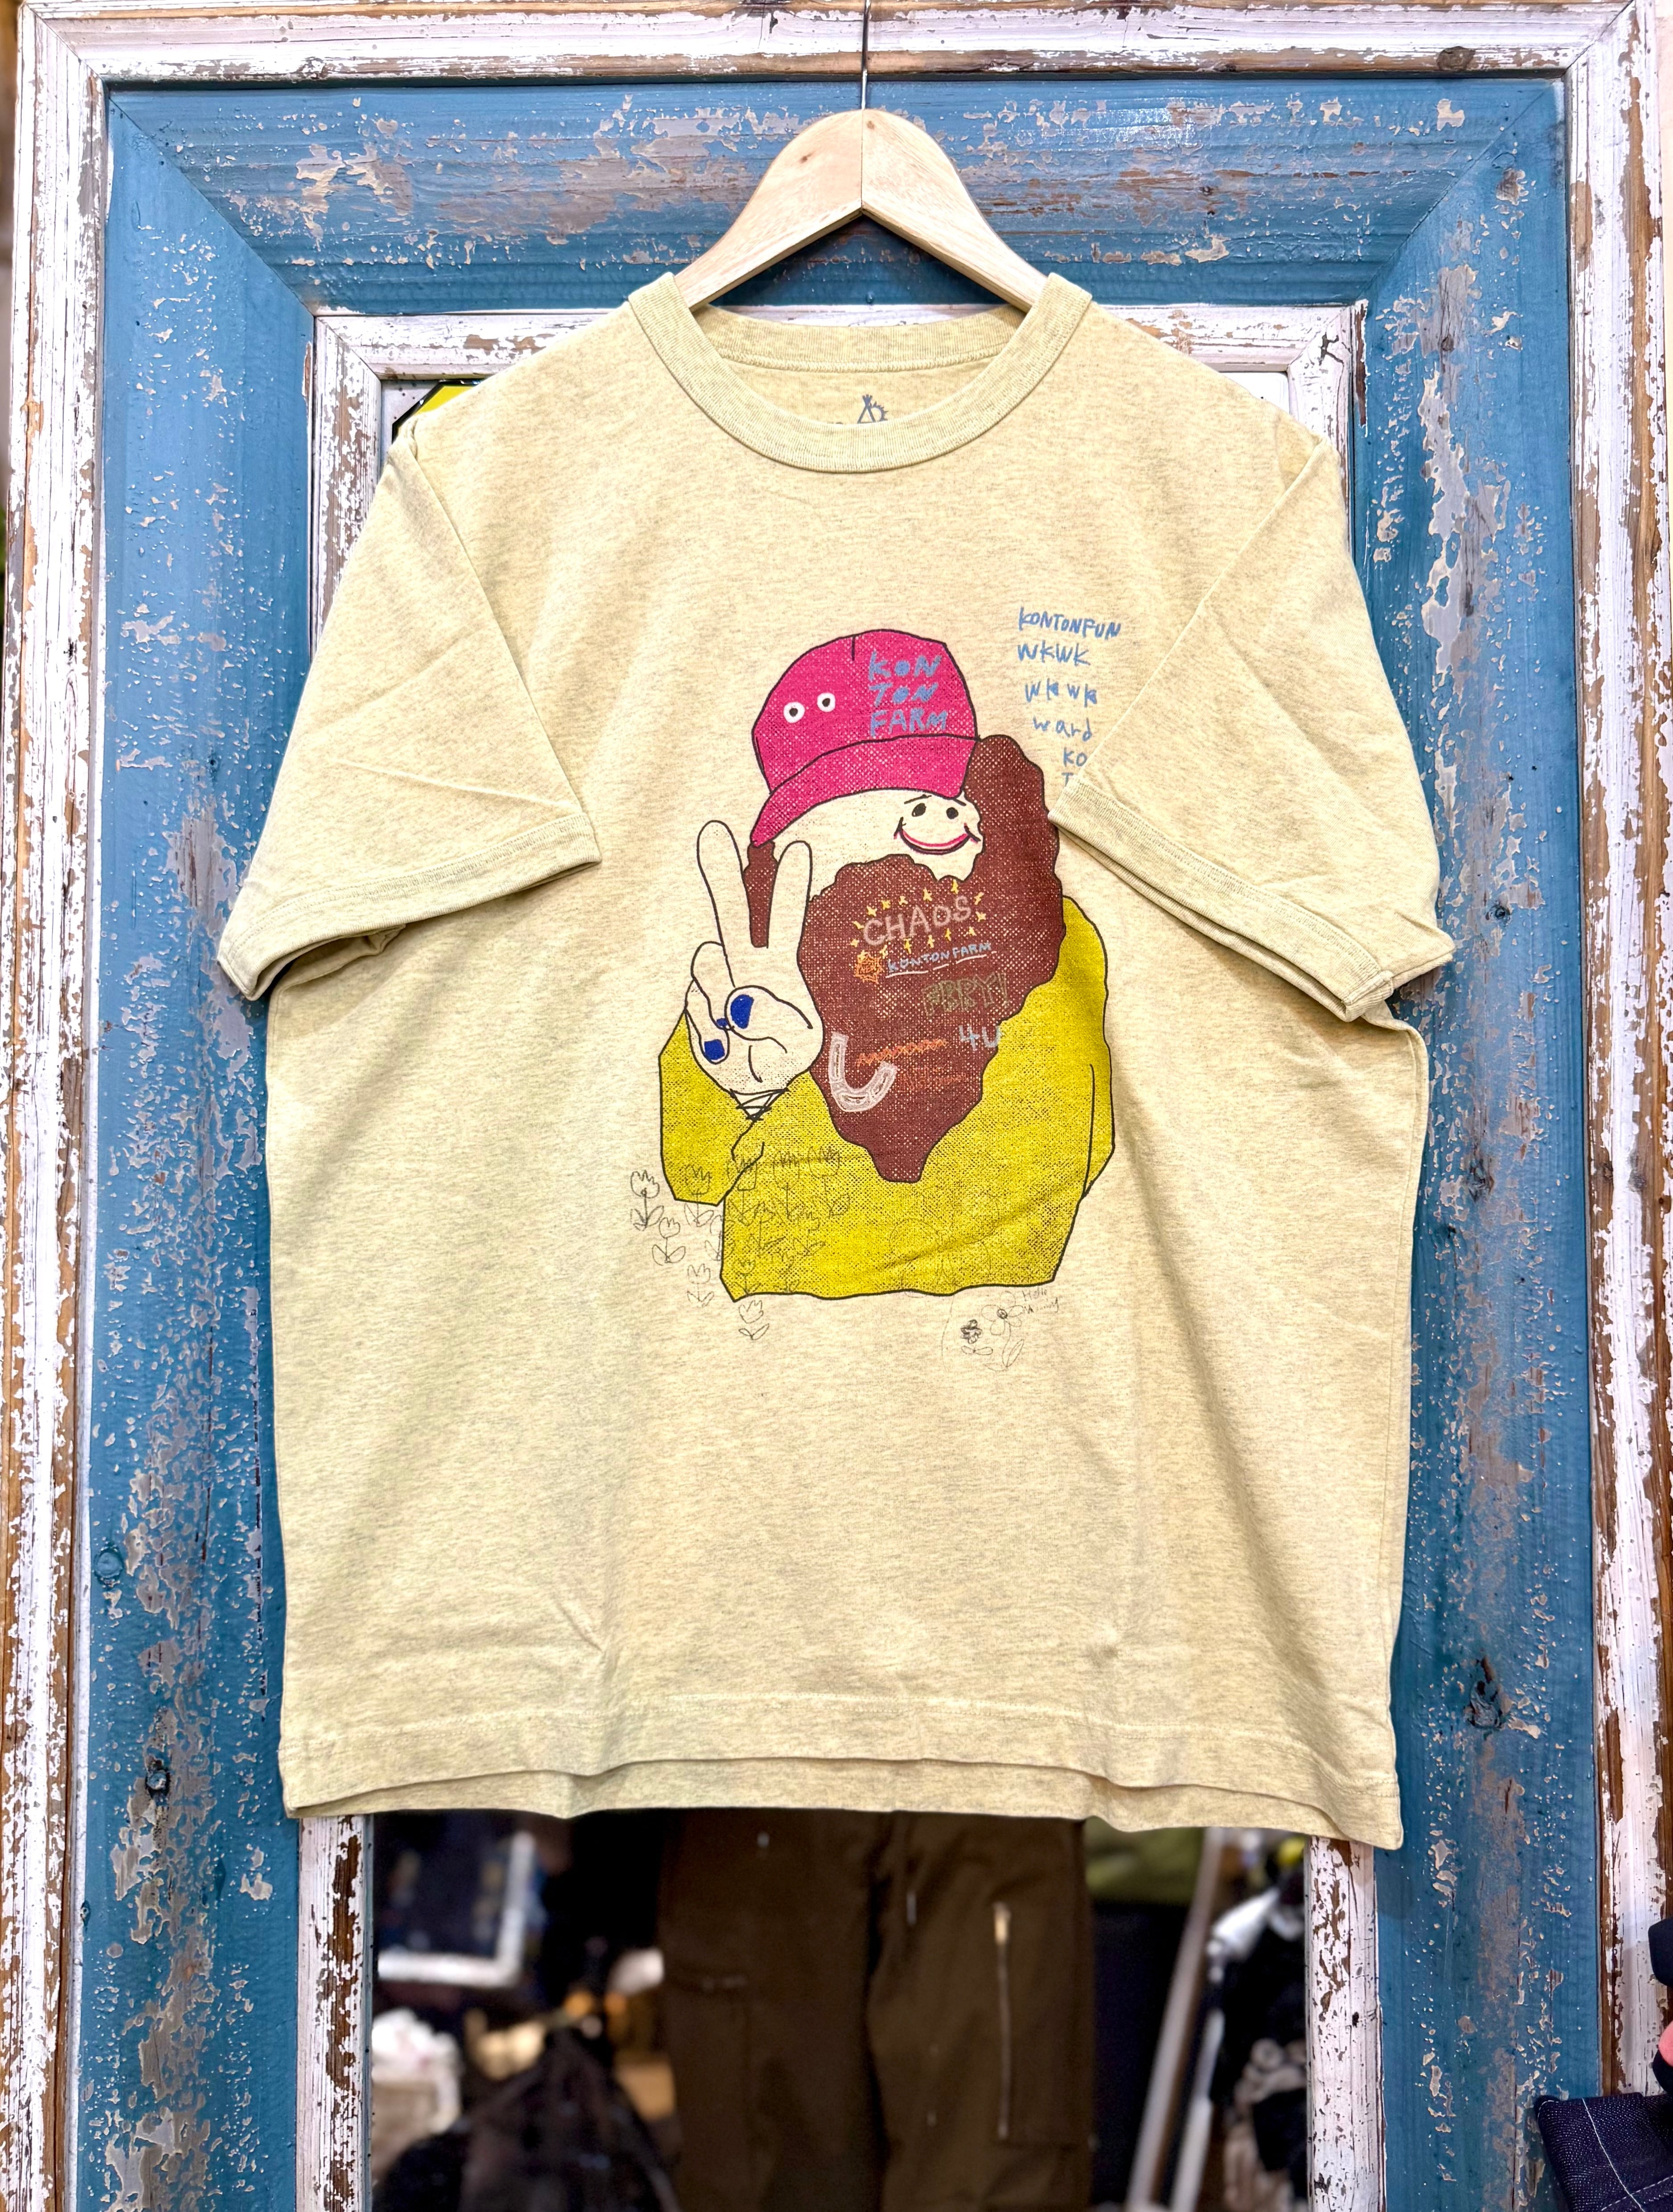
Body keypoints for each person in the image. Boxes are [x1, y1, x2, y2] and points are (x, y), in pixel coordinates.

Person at [659, 630, 1112, 1299]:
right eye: (853, 821)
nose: (894, 859)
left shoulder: (1048, 943)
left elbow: (1091, 1133)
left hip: (1012, 1321)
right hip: (788, 1332)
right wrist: (750, 1094)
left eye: (927, 808)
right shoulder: (751, 972)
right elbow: (693, 1173)